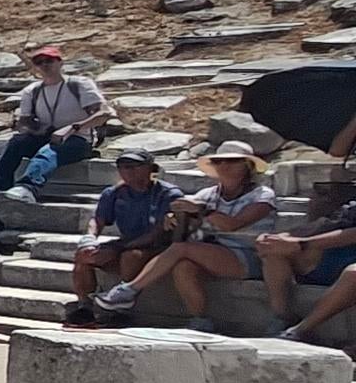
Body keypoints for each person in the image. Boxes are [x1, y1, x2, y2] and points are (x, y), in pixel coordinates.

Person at [95, 142, 277, 332]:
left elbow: (232, 224)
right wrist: (174, 218)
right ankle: (200, 319)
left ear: (247, 166)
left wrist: (201, 210)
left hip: (248, 256)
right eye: (219, 161)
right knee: (184, 267)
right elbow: (186, 209)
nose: (224, 166)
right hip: (212, 252)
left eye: (232, 161)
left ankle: (129, 290)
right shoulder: (208, 194)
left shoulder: (262, 195)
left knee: (182, 249)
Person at [59, 150, 180, 324]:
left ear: (149, 168)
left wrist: (119, 248)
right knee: (84, 254)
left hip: (160, 246)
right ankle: (85, 307)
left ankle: (122, 310)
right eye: (122, 167)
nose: (127, 171)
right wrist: (90, 238)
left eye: (133, 167)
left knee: (131, 256)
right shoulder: (114, 193)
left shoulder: (167, 194)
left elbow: (158, 232)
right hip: (127, 242)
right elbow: (99, 220)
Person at [0, 47, 113, 202]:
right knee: (16, 143)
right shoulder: (33, 90)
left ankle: (27, 187)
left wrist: (72, 128)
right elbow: (24, 122)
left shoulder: (78, 85)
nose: (44, 65)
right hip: (46, 137)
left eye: (49, 61)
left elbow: (103, 114)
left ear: (60, 63)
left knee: (49, 150)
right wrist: (30, 128)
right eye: (39, 62)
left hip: (78, 140)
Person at [264, 186, 356, 344]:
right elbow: (328, 223)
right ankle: (283, 318)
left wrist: (302, 244)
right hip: (337, 254)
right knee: (272, 250)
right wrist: (282, 238)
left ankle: (299, 330)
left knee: (354, 273)